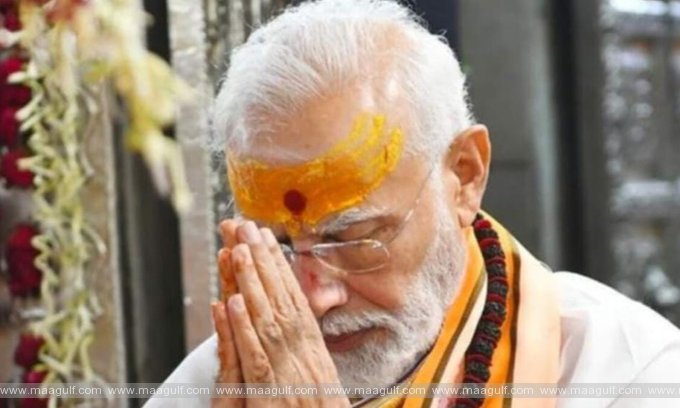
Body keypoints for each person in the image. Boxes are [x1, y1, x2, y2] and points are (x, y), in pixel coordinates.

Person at [146, 0, 680, 407]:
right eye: (278, 248)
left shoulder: (626, 372)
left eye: (352, 238)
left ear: (465, 176)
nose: (314, 298)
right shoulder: (235, 383)